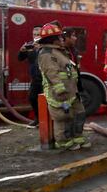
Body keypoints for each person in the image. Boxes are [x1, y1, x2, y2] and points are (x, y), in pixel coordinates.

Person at [37, 22, 89, 150]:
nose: (62, 39)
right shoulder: (46, 54)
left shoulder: (59, 51)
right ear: (53, 40)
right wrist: (60, 90)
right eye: (59, 37)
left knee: (79, 113)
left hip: (72, 91)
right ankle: (64, 142)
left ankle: (77, 137)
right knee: (63, 117)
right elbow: (52, 73)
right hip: (59, 93)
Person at [62, 28, 89, 148]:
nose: (75, 38)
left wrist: (80, 87)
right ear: (65, 37)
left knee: (80, 112)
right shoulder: (61, 52)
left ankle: (78, 137)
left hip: (75, 88)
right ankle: (68, 141)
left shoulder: (73, 51)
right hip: (65, 89)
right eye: (73, 36)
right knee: (67, 115)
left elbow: (76, 71)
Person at [18, 27, 42, 125]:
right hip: (35, 78)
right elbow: (20, 58)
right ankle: (38, 118)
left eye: (38, 34)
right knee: (32, 98)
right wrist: (22, 50)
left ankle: (48, 120)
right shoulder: (30, 45)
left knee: (46, 100)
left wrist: (39, 48)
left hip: (45, 78)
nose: (35, 36)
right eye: (34, 34)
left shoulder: (46, 45)